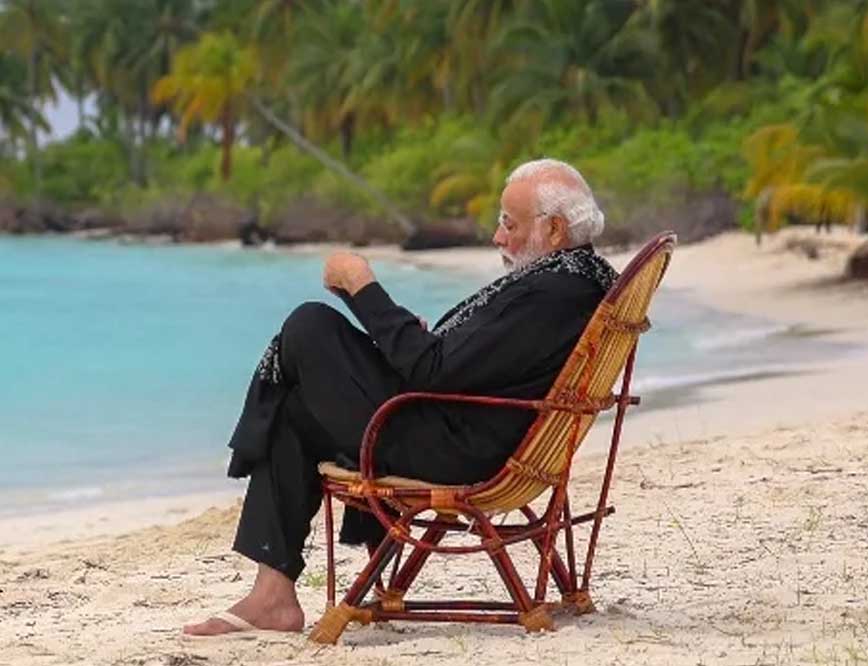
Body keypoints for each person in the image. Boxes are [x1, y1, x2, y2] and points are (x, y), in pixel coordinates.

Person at [183, 158, 618, 636]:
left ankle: (272, 568)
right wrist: (407, 337)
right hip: (461, 428)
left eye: (508, 224)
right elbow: (462, 362)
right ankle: (273, 598)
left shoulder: (554, 292)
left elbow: (434, 370)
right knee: (294, 409)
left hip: (457, 450)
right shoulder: (572, 280)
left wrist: (362, 286)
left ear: (553, 230)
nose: (498, 237)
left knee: (309, 326)